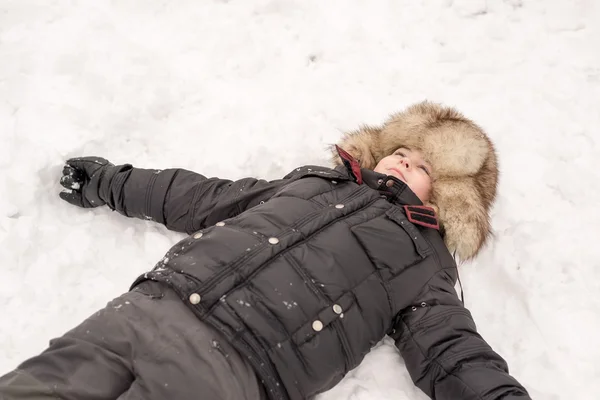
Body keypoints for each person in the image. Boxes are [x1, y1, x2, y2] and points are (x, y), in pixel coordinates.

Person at [0, 101, 531, 400]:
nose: (401, 163)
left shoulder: (423, 263)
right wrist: (109, 183)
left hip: (234, 369)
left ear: (447, 199)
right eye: (399, 151)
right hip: (148, 308)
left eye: (422, 167)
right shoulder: (309, 184)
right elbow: (200, 197)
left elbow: (452, 352)